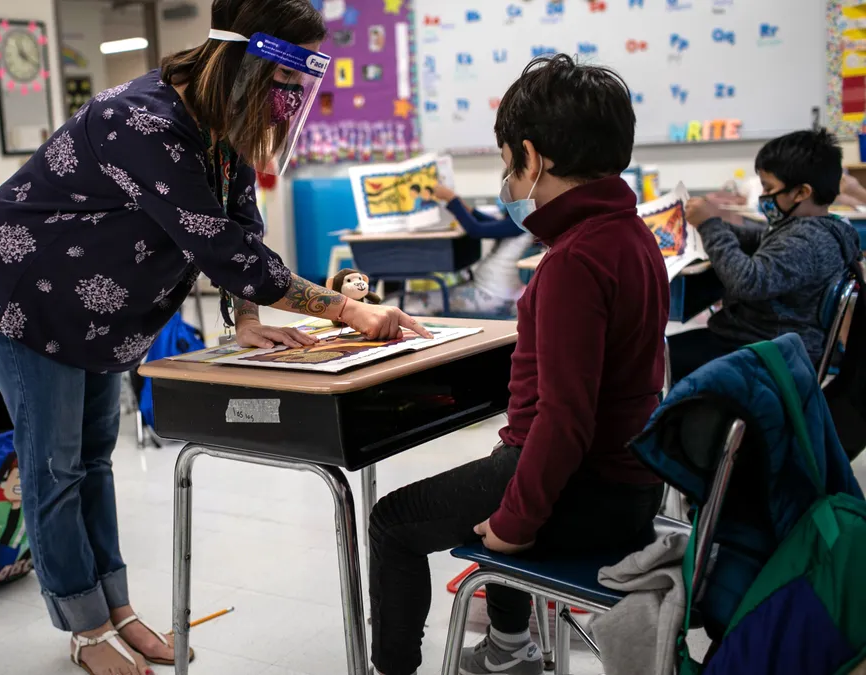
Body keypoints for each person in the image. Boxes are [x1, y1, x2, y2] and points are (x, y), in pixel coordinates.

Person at [0, 1, 427, 673]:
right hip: (25, 294)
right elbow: (222, 250)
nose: (288, 101)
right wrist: (346, 314)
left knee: (91, 459)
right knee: (54, 464)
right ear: (249, 65)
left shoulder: (216, 121)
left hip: (91, 308)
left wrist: (250, 316)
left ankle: (114, 607)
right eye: (284, 83)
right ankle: (84, 628)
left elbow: (239, 226)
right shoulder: (141, 122)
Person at [368, 54, 668, 675]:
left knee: (393, 521)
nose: (508, 180)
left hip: (588, 490)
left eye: (507, 164)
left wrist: (513, 524)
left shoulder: (571, 262)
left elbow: (564, 423)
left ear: (531, 158)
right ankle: (508, 648)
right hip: (630, 483)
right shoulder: (633, 236)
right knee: (503, 471)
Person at [671, 129, 861, 382]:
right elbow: (760, 238)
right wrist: (715, 223)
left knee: (653, 359)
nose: (762, 195)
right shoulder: (817, 228)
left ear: (802, 192)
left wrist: (711, 226)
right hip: (763, 341)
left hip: (765, 353)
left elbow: (748, 281)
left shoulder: (806, 241)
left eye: (768, 187)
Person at [401, 182, 534, 318]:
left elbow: (476, 229)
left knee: (412, 303)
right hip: (492, 294)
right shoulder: (524, 220)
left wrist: (451, 198)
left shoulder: (522, 222)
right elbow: (490, 223)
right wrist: (463, 206)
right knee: (418, 299)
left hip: (489, 296)